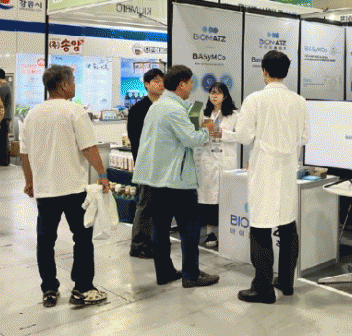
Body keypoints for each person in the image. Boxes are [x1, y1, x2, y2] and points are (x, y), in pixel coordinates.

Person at [18, 65, 111, 308]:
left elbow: (24, 154)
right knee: (82, 238)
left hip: (45, 190)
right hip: (73, 189)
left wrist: (29, 181)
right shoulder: (74, 111)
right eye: (73, 81)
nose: (75, 85)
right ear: (63, 85)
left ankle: (49, 289)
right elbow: (88, 147)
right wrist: (102, 174)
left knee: (45, 240)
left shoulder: (32, 114)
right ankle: (83, 288)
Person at [132, 65, 221, 288]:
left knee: (160, 229)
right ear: (181, 84)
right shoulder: (173, 109)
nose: (191, 87)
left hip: (157, 179)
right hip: (177, 180)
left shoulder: (157, 106)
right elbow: (191, 139)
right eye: (190, 83)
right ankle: (191, 275)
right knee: (190, 228)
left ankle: (164, 272)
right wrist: (207, 130)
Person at [235, 50, 310, 304]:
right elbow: (305, 137)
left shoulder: (255, 100)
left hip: (264, 170)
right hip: (287, 170)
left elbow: (243, 136)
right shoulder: (299, 101)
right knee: (288, 226)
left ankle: (263, 287)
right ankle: (287, 282)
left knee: (260, 228)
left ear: (264, 72)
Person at [194, 81, 239, 247]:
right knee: (208, 199)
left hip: (226, 161)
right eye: (212, 92)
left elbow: (241, 136)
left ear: (225, 96)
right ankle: (210, 233)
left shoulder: (234, 115)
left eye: (218, 93)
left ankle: (226, 233)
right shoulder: (204, 114)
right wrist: (205, 133)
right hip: (208, 160)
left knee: (225, 198)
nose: (214, 96)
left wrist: (223, 134)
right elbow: (196, 135)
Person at [127, 68, 165, 259]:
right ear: (147, 84)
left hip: (164, 163)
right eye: (155, 81)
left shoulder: (165, 106)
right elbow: (135, 140)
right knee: (146, 203)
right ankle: (139, 244)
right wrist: (141, 164)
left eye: (162, 80)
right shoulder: (138, 109)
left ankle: (153, 241)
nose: (160, 84)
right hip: (147, 164)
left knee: (159, 205)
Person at [0, 68, 12, 166]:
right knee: (4, 139)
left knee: (2, 140)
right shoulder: (7, 86)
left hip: (2, 118)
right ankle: (5, 161)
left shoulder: (2, 89)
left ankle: (3, 161)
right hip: (6, 117)